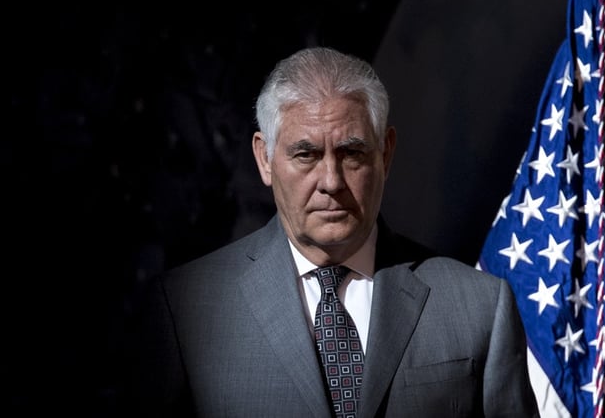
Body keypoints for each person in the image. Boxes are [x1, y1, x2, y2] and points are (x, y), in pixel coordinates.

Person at [128, 46, 538, 417]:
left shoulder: (479, 306)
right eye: (305, 154)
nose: (331, 181)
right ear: (265, 159)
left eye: (352, 153)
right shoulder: (185, 309)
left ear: (386, 154)